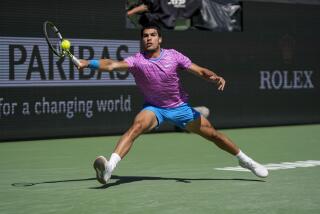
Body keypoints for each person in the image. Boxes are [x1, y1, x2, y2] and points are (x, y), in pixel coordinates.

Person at [78, 24, 268, 184]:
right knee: (136, 126)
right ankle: (109, 168)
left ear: (160, 39)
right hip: (154, 108)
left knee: (215, 136)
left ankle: (245, 161)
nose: (149, 38)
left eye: (153, 35)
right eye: (145, 36)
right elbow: (111, 65)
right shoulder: (137, 60)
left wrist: (213, 76)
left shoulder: (173, 56)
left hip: (180, 108)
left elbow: (199, 71)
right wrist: (88, 63)